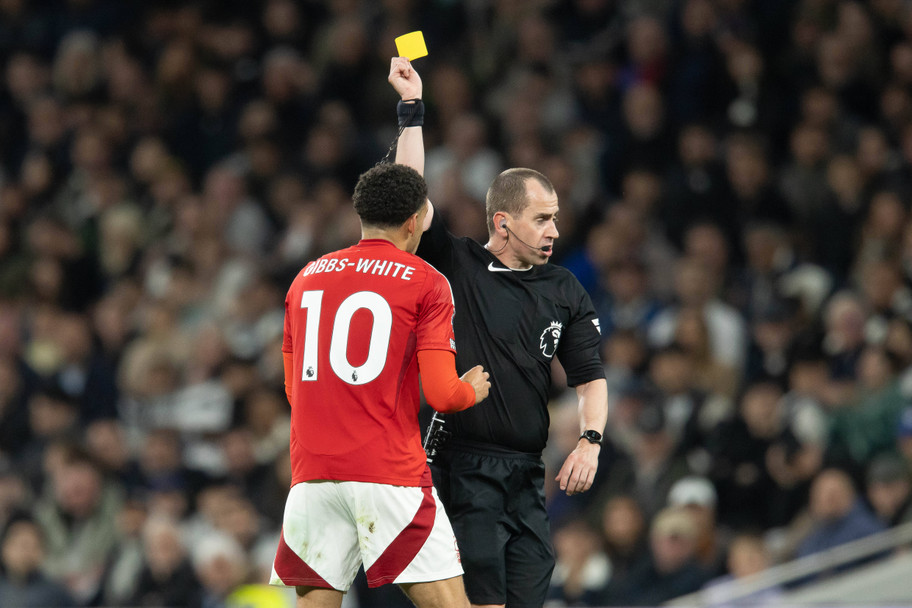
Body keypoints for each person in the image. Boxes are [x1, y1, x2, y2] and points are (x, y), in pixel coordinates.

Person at [389, 56, 608, 607]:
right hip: (466, 470)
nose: (555, 230)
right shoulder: (458, 265)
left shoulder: (564, 288)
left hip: (527, 478)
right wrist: (412, 115)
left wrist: (590, 440)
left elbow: (589, 377)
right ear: (502, 222)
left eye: (555, 217)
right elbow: (409, 199)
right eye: (542, 219)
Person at [269, 160, 491, 608]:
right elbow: (443, 394)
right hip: (387, 473)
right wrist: (472, 390)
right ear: (414, 222)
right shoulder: (428, 282)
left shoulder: (306, 277)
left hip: (313, 473)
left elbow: (296, 391)